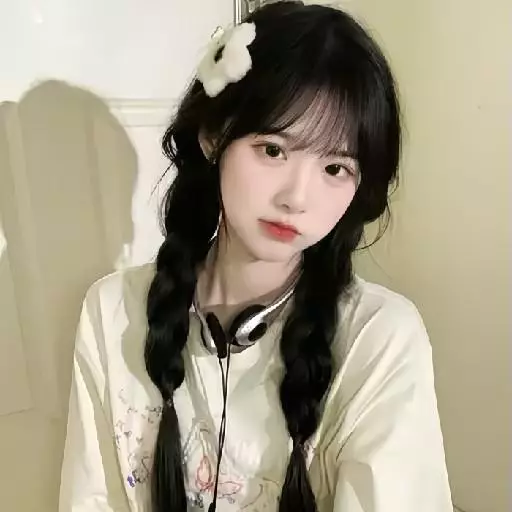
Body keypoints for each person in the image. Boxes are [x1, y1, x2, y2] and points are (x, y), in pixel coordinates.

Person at [59, 2, 453, 511]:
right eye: (273, 150)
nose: (297, 198)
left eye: (335, 168)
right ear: (212, 137)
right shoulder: (112, 312)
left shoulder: (378, 338)